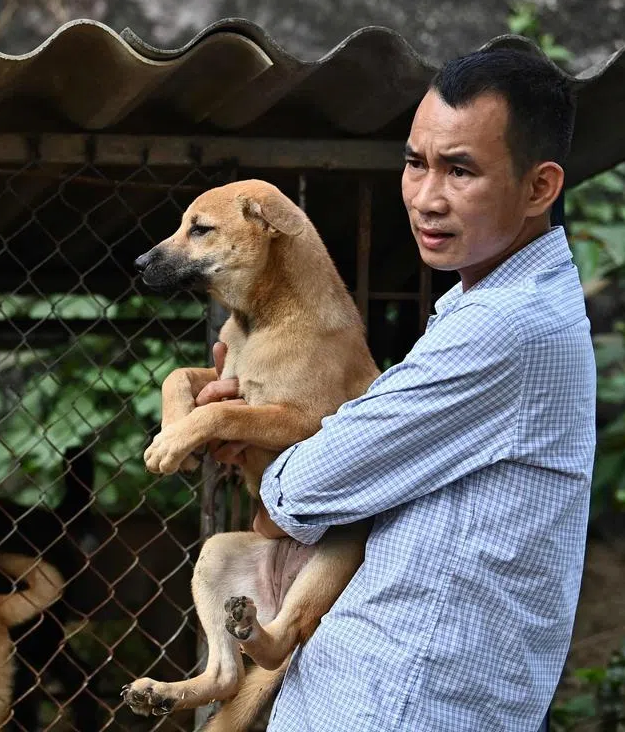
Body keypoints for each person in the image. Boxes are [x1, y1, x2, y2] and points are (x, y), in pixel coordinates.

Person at [195, 49, 594, 731]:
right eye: (416, 163)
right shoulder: (494, 307)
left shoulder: (508, 327)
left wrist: (257, 433)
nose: (425, 197)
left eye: (460, 170)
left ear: (539, 187)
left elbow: (304, 489)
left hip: (400, 704)